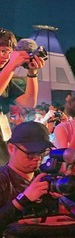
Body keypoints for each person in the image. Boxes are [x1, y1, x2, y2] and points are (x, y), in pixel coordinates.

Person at [0, 122, 56, 234]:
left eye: (42, 152)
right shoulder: (3, 180)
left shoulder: (44, 177)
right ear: (11, 148)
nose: (37, 158)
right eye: (31, 154)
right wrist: (22, 200)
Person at [0, 29, 46, 165]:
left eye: (9, 52)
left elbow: (29, 102)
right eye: (3, 51)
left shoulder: (6, 77)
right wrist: (12, 65)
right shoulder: (7, 73)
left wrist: (32, 72)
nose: (6, 56)